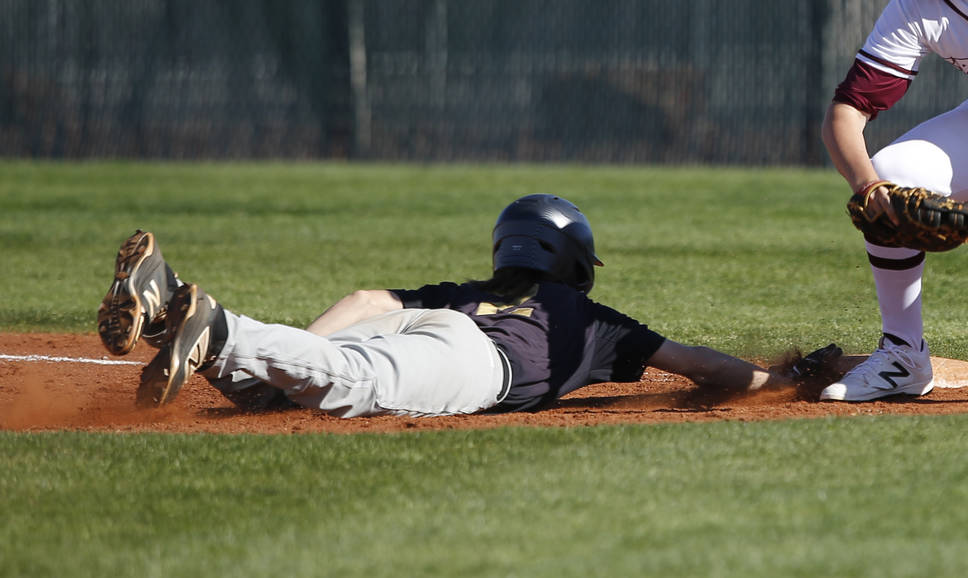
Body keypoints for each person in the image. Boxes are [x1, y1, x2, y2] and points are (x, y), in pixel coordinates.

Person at [96, 194, 793, 417]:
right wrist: (775, 380)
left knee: (297, 381)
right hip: (475, 361)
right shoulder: (595, 322)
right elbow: (698, 365)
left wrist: (306, 344)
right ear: (574, 260)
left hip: (433, 325)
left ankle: (170, 311)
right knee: (357, 383)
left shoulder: (466, 290)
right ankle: (218, 329)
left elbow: (369, 299)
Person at [820, 0, 968, 401]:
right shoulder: (918, 6)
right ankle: (903, 354)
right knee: (893, 175)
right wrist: (868, 186)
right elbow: (847, 111)